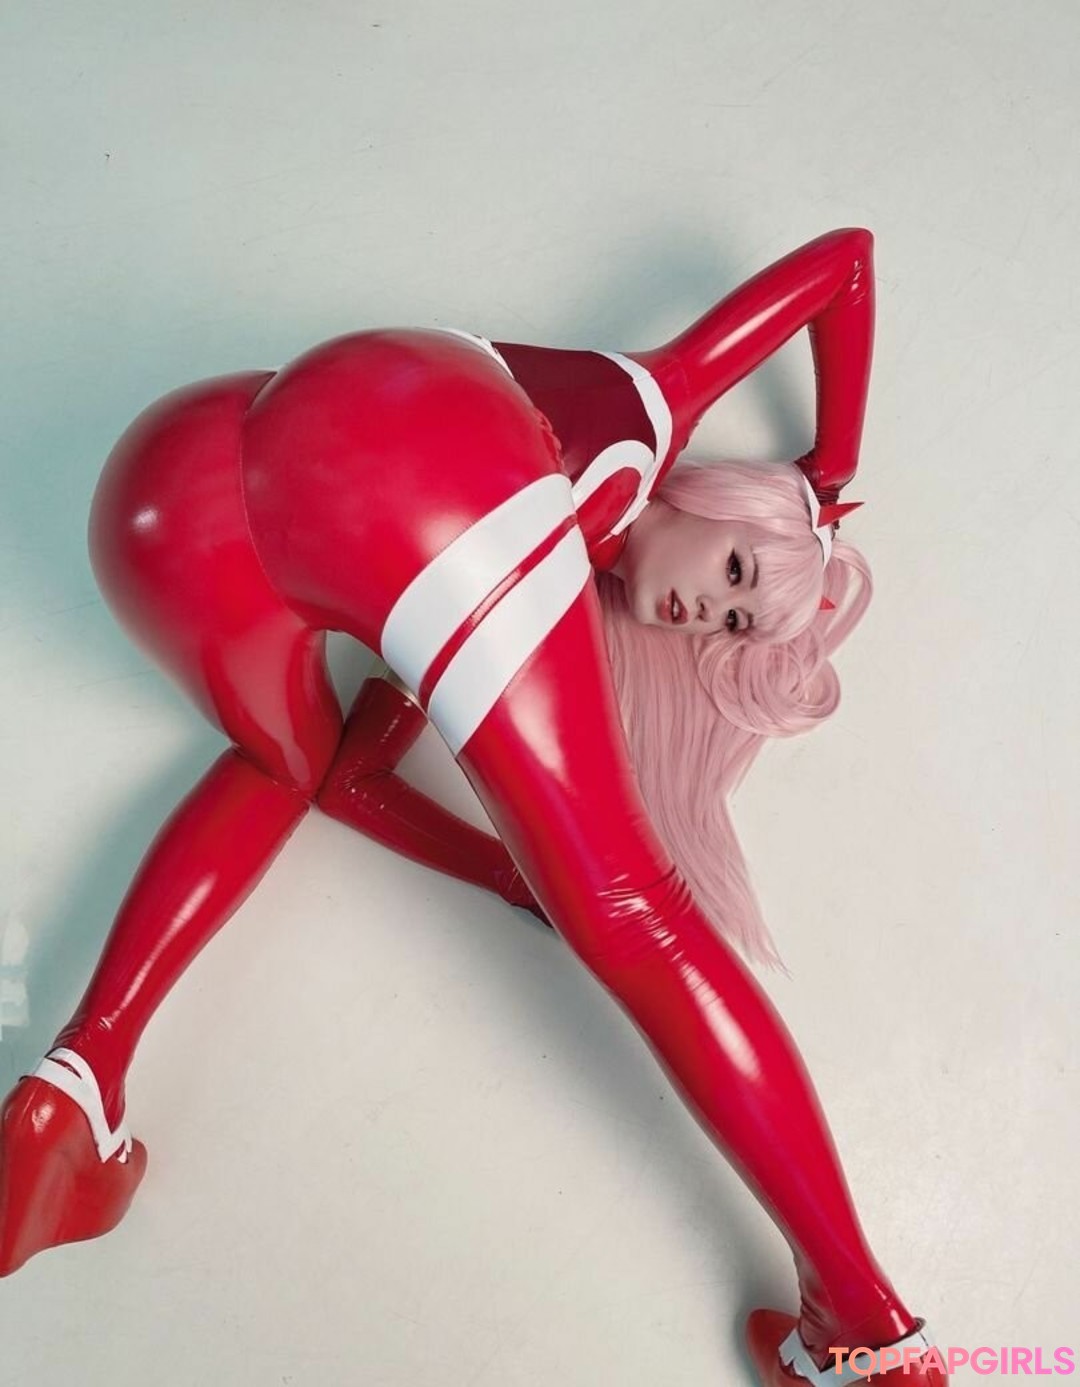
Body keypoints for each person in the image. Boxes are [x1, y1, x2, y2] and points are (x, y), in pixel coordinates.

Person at [0, 229, 947, 1386]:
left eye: (735, 625)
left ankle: (74, 1084)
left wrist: (508, 873)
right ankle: (865, 1328)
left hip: (165, 496)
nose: (712, 609)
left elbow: (343, 781)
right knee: (635, 911)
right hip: (402, 451)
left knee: (278, 768)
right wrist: (829, 474)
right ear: (717, 499)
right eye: (740, 570)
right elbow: (846, 262)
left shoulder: (508, 599)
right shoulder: (647, 412)